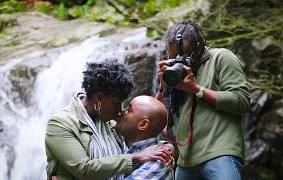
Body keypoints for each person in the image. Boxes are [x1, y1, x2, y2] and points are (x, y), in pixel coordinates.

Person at [45, 60, 172, 180]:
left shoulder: (109, 121)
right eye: (117, 103)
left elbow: (142, 132)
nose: (120, 110)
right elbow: (83, 169)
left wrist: (168, 147)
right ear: (99, 97)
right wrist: (135, 158)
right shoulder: (61, 124)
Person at [156, 20, 251, 180]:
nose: (178, 62)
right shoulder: (173, 74)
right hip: (185, 163)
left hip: (220, 154)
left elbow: (242, 101)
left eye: (183, 56)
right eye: (173, 58)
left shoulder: (221, 57)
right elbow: (155, 120)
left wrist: (197, 89)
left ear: (198, 47)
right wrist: (162, 87)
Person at [115, 95, 174, 180]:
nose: (121, 112)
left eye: (128, 110)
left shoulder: (157, 164)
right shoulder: (122, 144)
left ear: (143, 124)